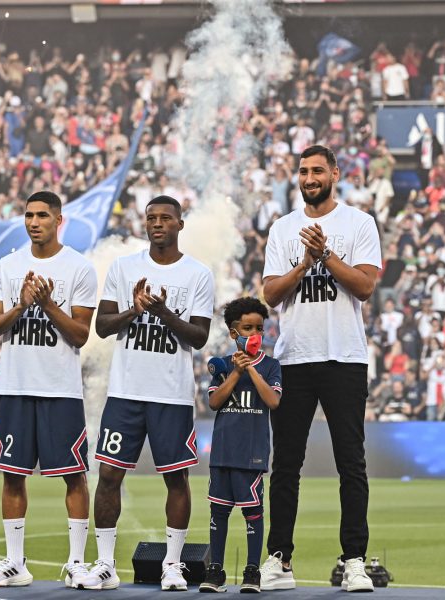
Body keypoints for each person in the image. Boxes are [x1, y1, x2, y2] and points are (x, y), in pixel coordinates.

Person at [260, 145, 381, 593]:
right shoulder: (283, 228)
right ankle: (279, 558)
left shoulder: (358, 223)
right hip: (293, 357)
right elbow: (271, 294)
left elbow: (366, 287)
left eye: (317, 170)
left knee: (351, 462)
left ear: (335, 173)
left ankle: (354, 560)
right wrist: (305, 263)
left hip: (344, 356)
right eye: (303, 171)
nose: (309, 178)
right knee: (286, 463)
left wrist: (326, 254)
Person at [83, 195, 214, 592]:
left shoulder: (197, 274)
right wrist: (134, 312)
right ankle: (105, 563)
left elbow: (200, 335)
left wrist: (162, 313)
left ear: (180, 224)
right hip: (125, 393)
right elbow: (103, 326)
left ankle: (172, 564)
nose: (158, 224)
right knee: (108, 476)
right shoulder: (124, 269)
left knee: (176, 478)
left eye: (166, 218)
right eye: (151, 218)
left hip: (171, 395)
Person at [0, 191, 97, 589]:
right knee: (12, 476)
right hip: (15, 386)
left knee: (74, 475)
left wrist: (46, 304)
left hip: (60, 389)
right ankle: (15, 563)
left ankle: (78, 563)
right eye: (28, 215)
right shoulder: (8, 266)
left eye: (42, 215)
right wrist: (20, 305)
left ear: (58, 220)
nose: (34, 222)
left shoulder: (78, 267)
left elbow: (82, 335)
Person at [199, 297, 282, 594]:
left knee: (253, 512)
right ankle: (216, 570)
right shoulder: (222, 365)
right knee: (218, 512)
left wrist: (252, 370)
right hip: (223, 451)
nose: (255, 334)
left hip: (252, 453)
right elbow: (214, 402)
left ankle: (251, 571)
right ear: (234, 333)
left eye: (259, 328)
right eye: (248, 328)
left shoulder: (271, 366)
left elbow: (273, 401)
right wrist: (236, 371)